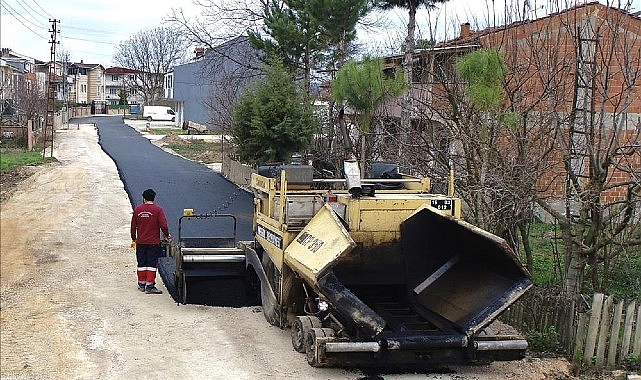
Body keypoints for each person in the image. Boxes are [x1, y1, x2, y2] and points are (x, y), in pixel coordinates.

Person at [130, 188, 171, 294]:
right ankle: (150, 286)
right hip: (153, 242)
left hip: (140, 242)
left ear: (144, 198)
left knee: (142, 262)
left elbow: (133, 226)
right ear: (154, 198)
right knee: (152, 264)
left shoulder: (138, 210)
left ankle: (141, 284)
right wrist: (167, 235)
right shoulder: (158, 210)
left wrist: (134, 238)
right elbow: (163, 224)